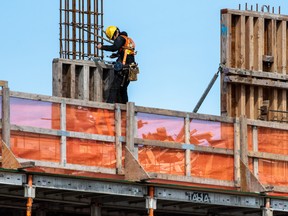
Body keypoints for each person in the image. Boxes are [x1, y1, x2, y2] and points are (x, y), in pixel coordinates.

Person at [97, 26, 136, 104]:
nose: (114, 40)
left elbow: (114, 47)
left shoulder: (120, 38)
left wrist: (102, 47)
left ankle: (109, 107)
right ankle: (125, 108)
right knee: (123, 89)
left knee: (114, 88)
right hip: (131, 69)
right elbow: (125, 52)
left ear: (116, 33)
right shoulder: (127, 40)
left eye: (113, 38)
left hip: (123, 69)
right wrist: (116, 55)